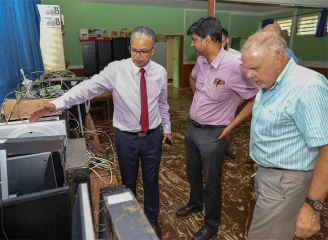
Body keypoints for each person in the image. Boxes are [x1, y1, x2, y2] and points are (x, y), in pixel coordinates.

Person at [29, 26, 172, 239]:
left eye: (143, 51)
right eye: (134, 50)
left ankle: (152, 219)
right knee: (128, 182)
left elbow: (162, 104)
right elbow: (87, 88)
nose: (137, 56)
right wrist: (56, 104)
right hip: (127, 138)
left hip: (152, 137)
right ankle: (129, 222)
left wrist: (167, 130)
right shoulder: (116, 70)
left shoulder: (160, 72)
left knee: (152, 182)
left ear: (152, 51)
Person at [176, 17, 259, 240]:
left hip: (215, 134)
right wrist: (199, 101)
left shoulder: (235, 67)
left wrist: (230, 125)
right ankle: (195, 204)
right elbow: (193, 79)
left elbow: (253, 99)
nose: (192, 44)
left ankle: (211, 224)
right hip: (193, 129)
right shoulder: (201, 61)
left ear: (208, 39)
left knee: (212, 182)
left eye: (194, 40)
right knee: (192, 173)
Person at [241, 30, 328, 239]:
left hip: (287, 182)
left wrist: (312, 207)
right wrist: (263, 159)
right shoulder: (269, 79)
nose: (248, 75)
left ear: (279, 59)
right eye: (246, 68)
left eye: (254, 68)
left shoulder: (307, 88)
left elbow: (326, 148)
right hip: (270, 173)